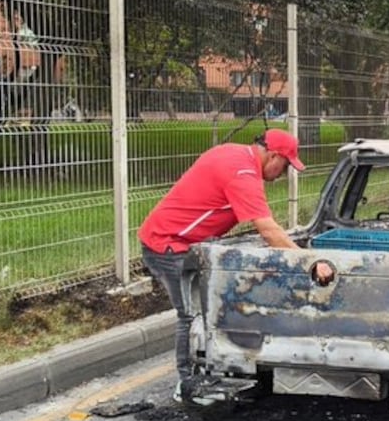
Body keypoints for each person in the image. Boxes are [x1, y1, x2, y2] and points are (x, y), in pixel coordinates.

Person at [138, 129, 334, 405]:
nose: (283, 173)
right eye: (285, 165)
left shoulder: (232, 153)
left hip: (183, 241)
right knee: (193, 314)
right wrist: (310, 262)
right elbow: (268, 230)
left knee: (209, 309)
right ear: (273, 155)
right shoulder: (242, 174)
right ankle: (187, 384)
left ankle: (214, 369)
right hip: (168, 244)